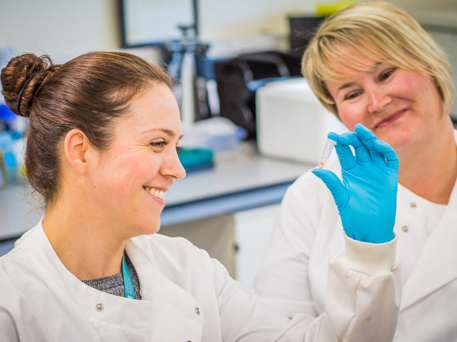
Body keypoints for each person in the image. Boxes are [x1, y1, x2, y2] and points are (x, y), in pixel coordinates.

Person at [0, 51, 400, 342]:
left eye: (176, 146)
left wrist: (368, 251)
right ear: (80, 151)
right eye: (157, 143)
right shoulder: (12, 304)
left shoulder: (188, 269)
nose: (178, 168)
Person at [254, 1, 457, 341]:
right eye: (352, 93)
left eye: (386, 74)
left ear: (429, 64)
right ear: (338, 113)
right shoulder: (312, 196)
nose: (377, 102)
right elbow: (277, 330)